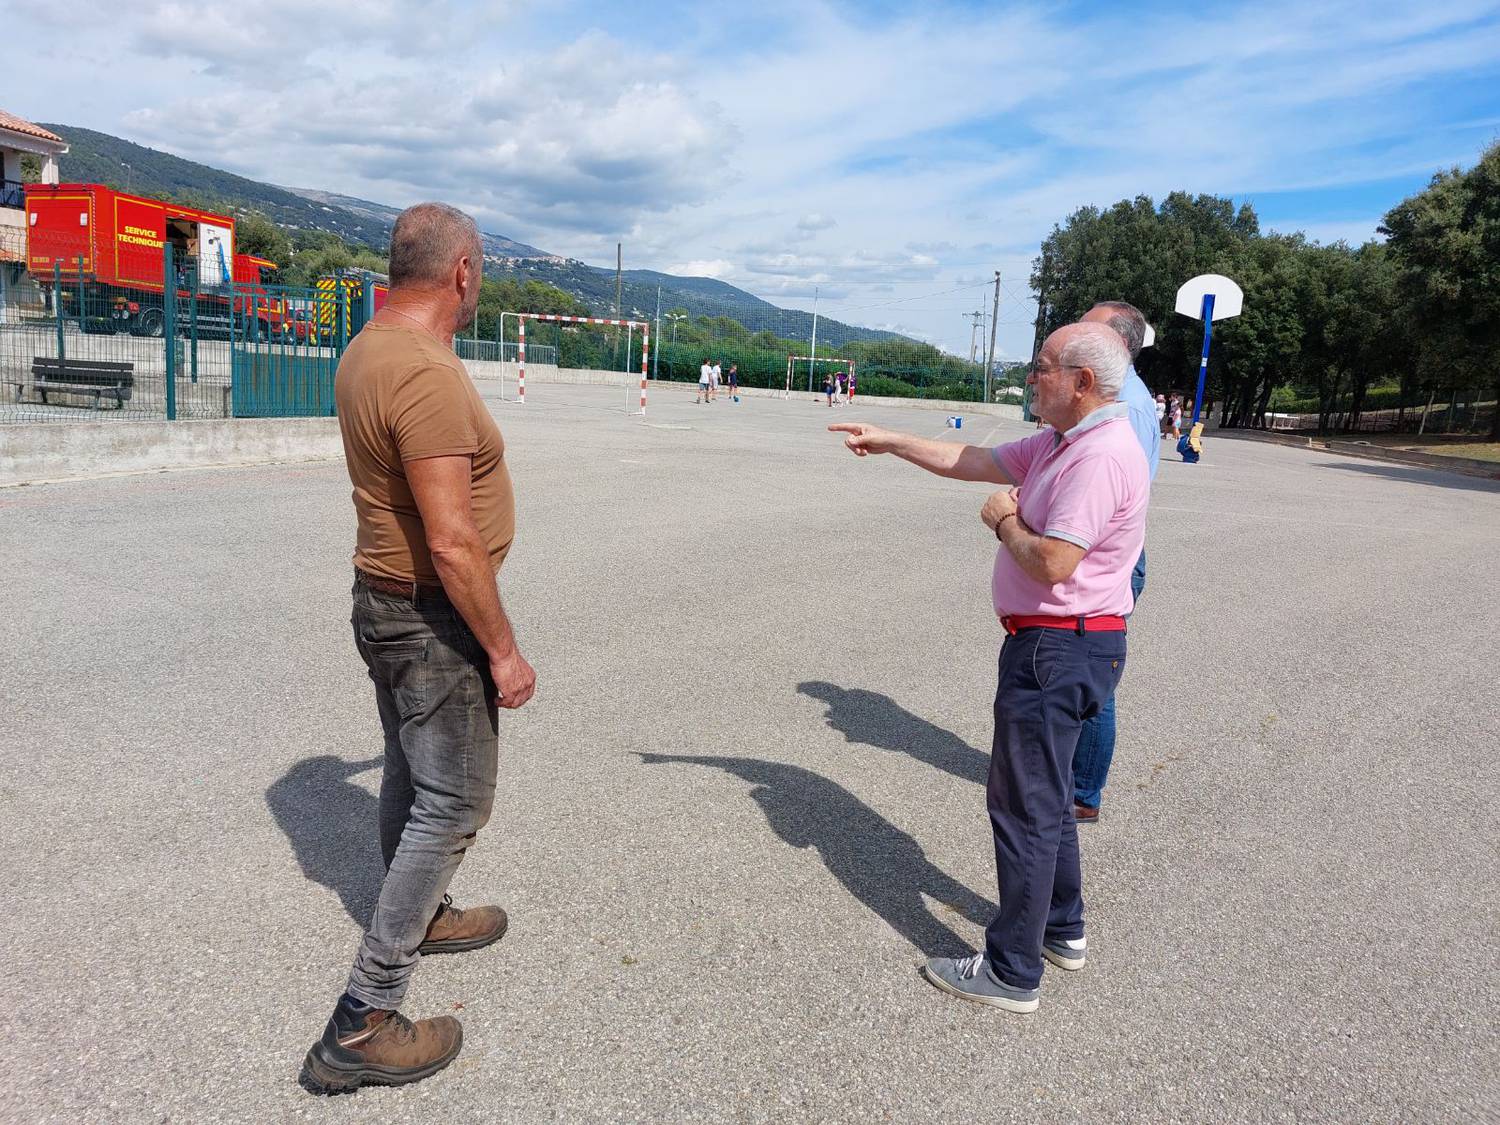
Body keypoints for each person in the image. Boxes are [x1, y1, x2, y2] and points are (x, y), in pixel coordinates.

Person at [829, 322, 1148, 1014]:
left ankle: (1011, 971)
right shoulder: (1068, 441)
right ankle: (1062, 929)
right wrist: (891, 440)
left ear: (1082, 382)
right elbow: (972, 458)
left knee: (1024, 806)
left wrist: (1004, 521)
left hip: (1055, 648)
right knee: (1052, 797)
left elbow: (1054, 561)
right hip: (1075, 643)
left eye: (1043, 367)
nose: (1033, 377)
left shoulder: (1097, 457)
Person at [309, 202, 537, 1092]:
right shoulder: (426, 375)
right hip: (431, 618)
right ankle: (364, 1017)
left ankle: (424, 913)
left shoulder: (368, 347)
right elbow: (451, 541)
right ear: (464, 272)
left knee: (411, 768)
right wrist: (505, 651)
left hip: (383, 601)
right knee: (454, 801)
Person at [1071, 301, 1160, 822]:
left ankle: (1083, 793)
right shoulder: (1113, 394)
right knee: (1082, 673)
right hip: (1103, 546)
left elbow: (1119, 489)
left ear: (1119, 344)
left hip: (1107, 552)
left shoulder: (1127, 405)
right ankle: (1072, 777)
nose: (1078, 333)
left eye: (1089, 328)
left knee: (1093, 679)